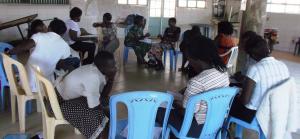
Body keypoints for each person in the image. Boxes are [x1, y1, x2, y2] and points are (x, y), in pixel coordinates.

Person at [156, 36, 229, 138]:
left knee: (158, 110)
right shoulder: (223, 72)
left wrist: (174, 103)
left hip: (196, 128)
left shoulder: (196, 81)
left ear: (197, 59)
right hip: (217, 123)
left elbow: (186, 113)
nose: (189, 62)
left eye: (189, 59)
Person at [55, 51, 117, 139]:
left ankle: (106, 128)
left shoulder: (95, 69)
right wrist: (104, 112)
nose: (115, 68)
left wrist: (111, 79)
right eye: (112, 66)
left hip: (64, 95)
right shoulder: (93, 76)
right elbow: (93, 106)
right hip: (60, 102)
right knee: (96, 114)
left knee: (104, 105)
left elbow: (103, 95)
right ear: (103, 67)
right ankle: (100, 134)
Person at [229, 35, 290, 123]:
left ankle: (224, 129)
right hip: (275, 110)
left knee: (226, 103)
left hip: (255, 114)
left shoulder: (255, 69)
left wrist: (237, 95)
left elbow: (245, 101)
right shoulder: (282, 65)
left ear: (252, 55)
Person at [6, 19, 72, 92]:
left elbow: (23, 47)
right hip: (44, 85)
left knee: (26, 70)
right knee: (56, 72)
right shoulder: (65, 46)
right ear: (63, 33)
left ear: (49, 28)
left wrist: (9, 52)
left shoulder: (39, 36)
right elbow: (61, 62)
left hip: (27, 82)